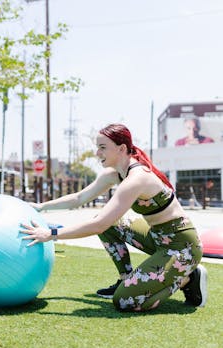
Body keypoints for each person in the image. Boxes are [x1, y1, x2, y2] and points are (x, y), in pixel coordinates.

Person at [20, 123, 208, 312]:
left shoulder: (137, 178)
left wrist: (51, 234)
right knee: (111, 224)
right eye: (97, 147)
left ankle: (186, 278)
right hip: (157, 237)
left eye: (103, 147)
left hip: (182, 246)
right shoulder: (115, 174)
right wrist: (42, 207)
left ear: (121, 148)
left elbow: (99, 225)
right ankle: (126, 279)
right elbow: (79, 198)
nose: (97, 153)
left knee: (125, 301)